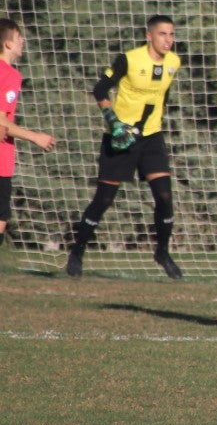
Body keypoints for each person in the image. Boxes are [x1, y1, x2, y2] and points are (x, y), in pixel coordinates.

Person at [66, 15, 183, 279]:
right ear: (149, 35)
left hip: (151, 136)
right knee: (104, 199)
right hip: (121, 136)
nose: (169, 40)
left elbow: (161, 95)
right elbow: (100, 89)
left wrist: (150, 122)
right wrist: (114, 121)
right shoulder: (129, 59)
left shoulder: (174, 62)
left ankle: (162, 252)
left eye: (172, 35)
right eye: (163, 34)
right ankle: (77, 251)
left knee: (164, 196)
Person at [0, 19, 58, 242]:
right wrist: (36, 137)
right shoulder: (9, 75)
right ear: (7, 44)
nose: (22, 41)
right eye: (18, 37)